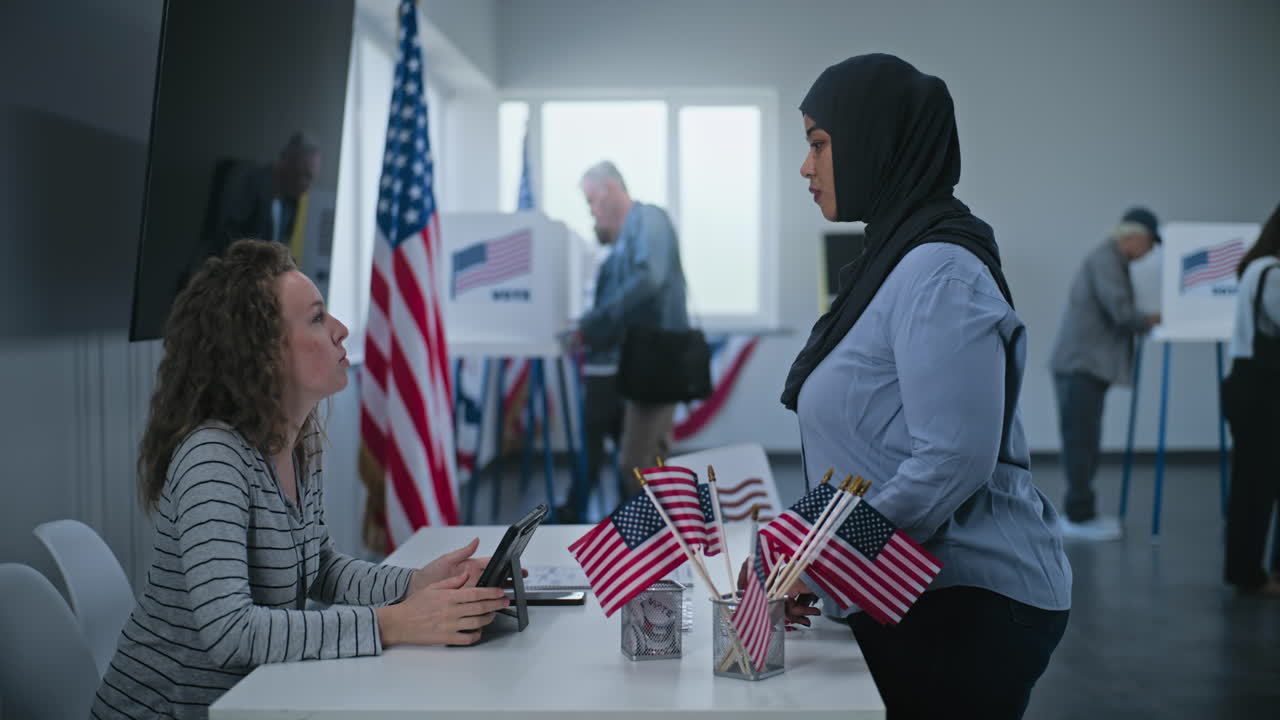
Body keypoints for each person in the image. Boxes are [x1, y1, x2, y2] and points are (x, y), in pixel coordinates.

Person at [92, 240, 509, 718]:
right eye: (316, 318)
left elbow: (321, 568)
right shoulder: (213, 458)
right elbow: (230, 632)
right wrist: (392, 623)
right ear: (263, 355)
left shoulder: (295, 441)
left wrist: (414, 584)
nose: (341, 329)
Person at [778, 54, 1071, 718]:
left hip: (966, 602)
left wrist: (817, 557)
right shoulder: (891, 263)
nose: (806, 166)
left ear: (874, 141)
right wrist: (806, 552)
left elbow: (951, 462)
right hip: (908, 592)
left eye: (819, 144)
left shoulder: (938, 269)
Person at [557, 161, 690, 521]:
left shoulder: (649, 218)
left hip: (659, 357)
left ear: (611, 188)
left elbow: (649, 277)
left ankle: (664, 548)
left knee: (638, 463)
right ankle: (668, 546)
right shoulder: (628, 237)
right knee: (649, 461)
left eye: (592, 199)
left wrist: (594, 321)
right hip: (644, 359)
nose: (592, 210)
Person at [1049, 208, 1162, 540]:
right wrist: (1157, 318)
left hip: (1083, 366)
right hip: (1080, 366)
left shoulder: (1111, 260)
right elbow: (1122, 313)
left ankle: (1081, 512)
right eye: (1150, 243)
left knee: (1085, 441)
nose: (1151, 251)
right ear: (1133, 236)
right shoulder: (1106, 260)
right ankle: (1077, 517)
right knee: (1081, 443)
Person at [1221, 203, 1280, 596]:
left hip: (1251, 385)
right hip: (1264, 389)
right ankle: (1249, 574)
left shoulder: (1256, 268)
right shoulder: (1272, 272)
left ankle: (1247, 571)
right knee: (1256, 488)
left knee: (1252, 485)